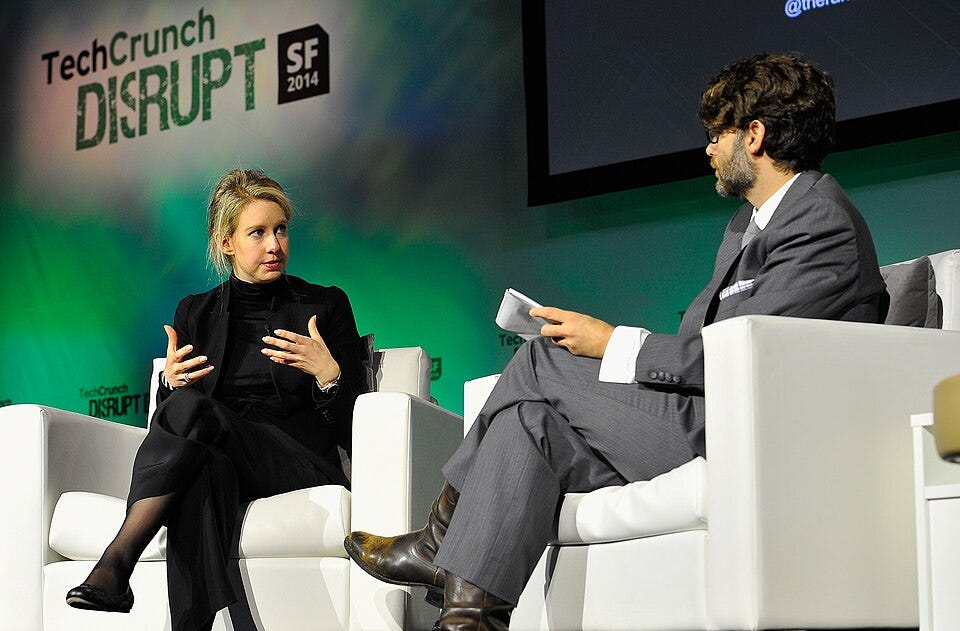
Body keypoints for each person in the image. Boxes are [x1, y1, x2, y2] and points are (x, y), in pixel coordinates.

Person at [344, 52, 888, 630]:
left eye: (716, 134)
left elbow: (738, 355)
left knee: (541, 358)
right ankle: (466, 622)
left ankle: (437, 538)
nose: (707, 149)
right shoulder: (747, 227)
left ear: (754, 136)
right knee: (527, 424)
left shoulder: (819, 220)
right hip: (707, 416)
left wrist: (610, 342)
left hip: (747, 431)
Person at [66, 169, 365, 631]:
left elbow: (356, 426)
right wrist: (170, 384)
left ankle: (117, 561)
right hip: (224, 459)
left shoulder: (324, 306)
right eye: (258, 232)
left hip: (296, 459)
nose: (274, 245)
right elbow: (172, 435)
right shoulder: (195, 312)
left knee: (192, 414)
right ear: (227, 243)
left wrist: (329, 375)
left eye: (281, 229)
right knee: (197, 466)